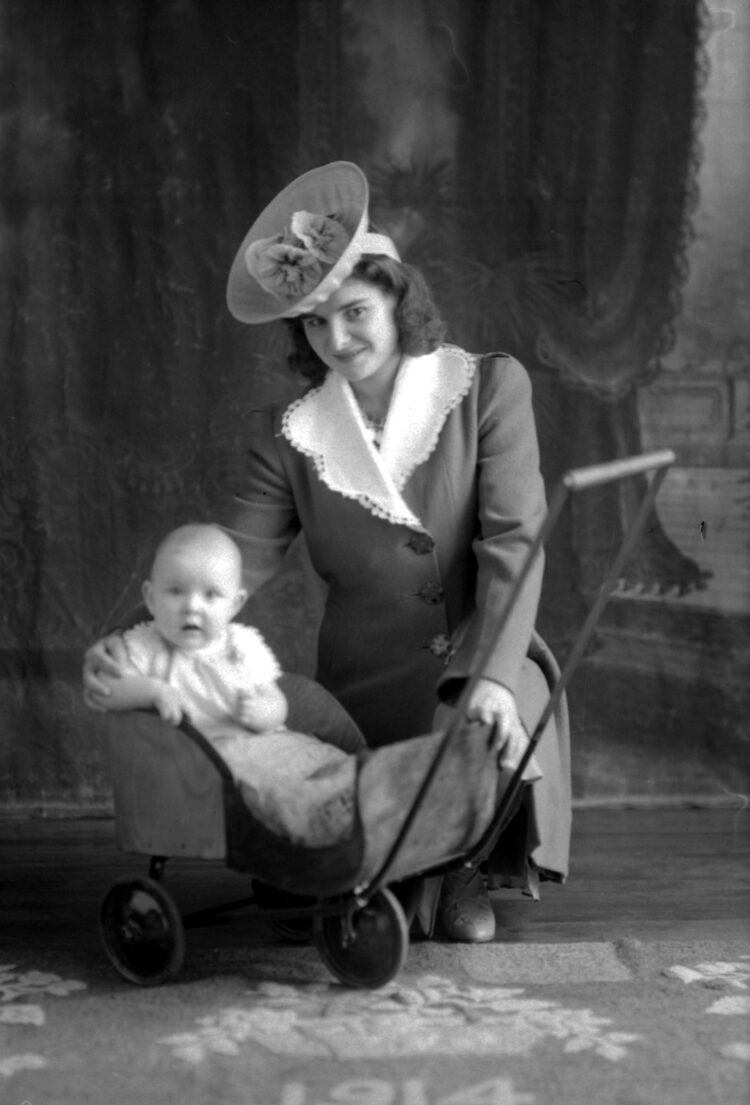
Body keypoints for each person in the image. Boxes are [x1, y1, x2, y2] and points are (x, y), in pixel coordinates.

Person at [85, 161, 571, 942]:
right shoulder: (293, 435)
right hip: (365, 680)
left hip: (487, 651)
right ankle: (389, 876)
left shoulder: (487, 389)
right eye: (315, 323)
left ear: (397, 298)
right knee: (344, 868)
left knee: (486, 736)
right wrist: (145, 640)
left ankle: (463, 871)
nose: (338, 339)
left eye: (355, 312)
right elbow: (228, 562)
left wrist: (493, 679)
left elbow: (516, 544)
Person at [86, 523, 357, 847]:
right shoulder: (145, 646)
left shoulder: (242, 646)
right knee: (272, 789)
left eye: (211, 595)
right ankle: (315, 824)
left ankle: (355, 798)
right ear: (150, 597)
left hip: (268, 744)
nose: (192, 606)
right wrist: (153, 691)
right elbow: (106, 690)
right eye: (175, 591)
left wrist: (265, 712)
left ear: (235, 603)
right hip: (208, 765)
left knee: (328, 761)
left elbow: (274, 697)